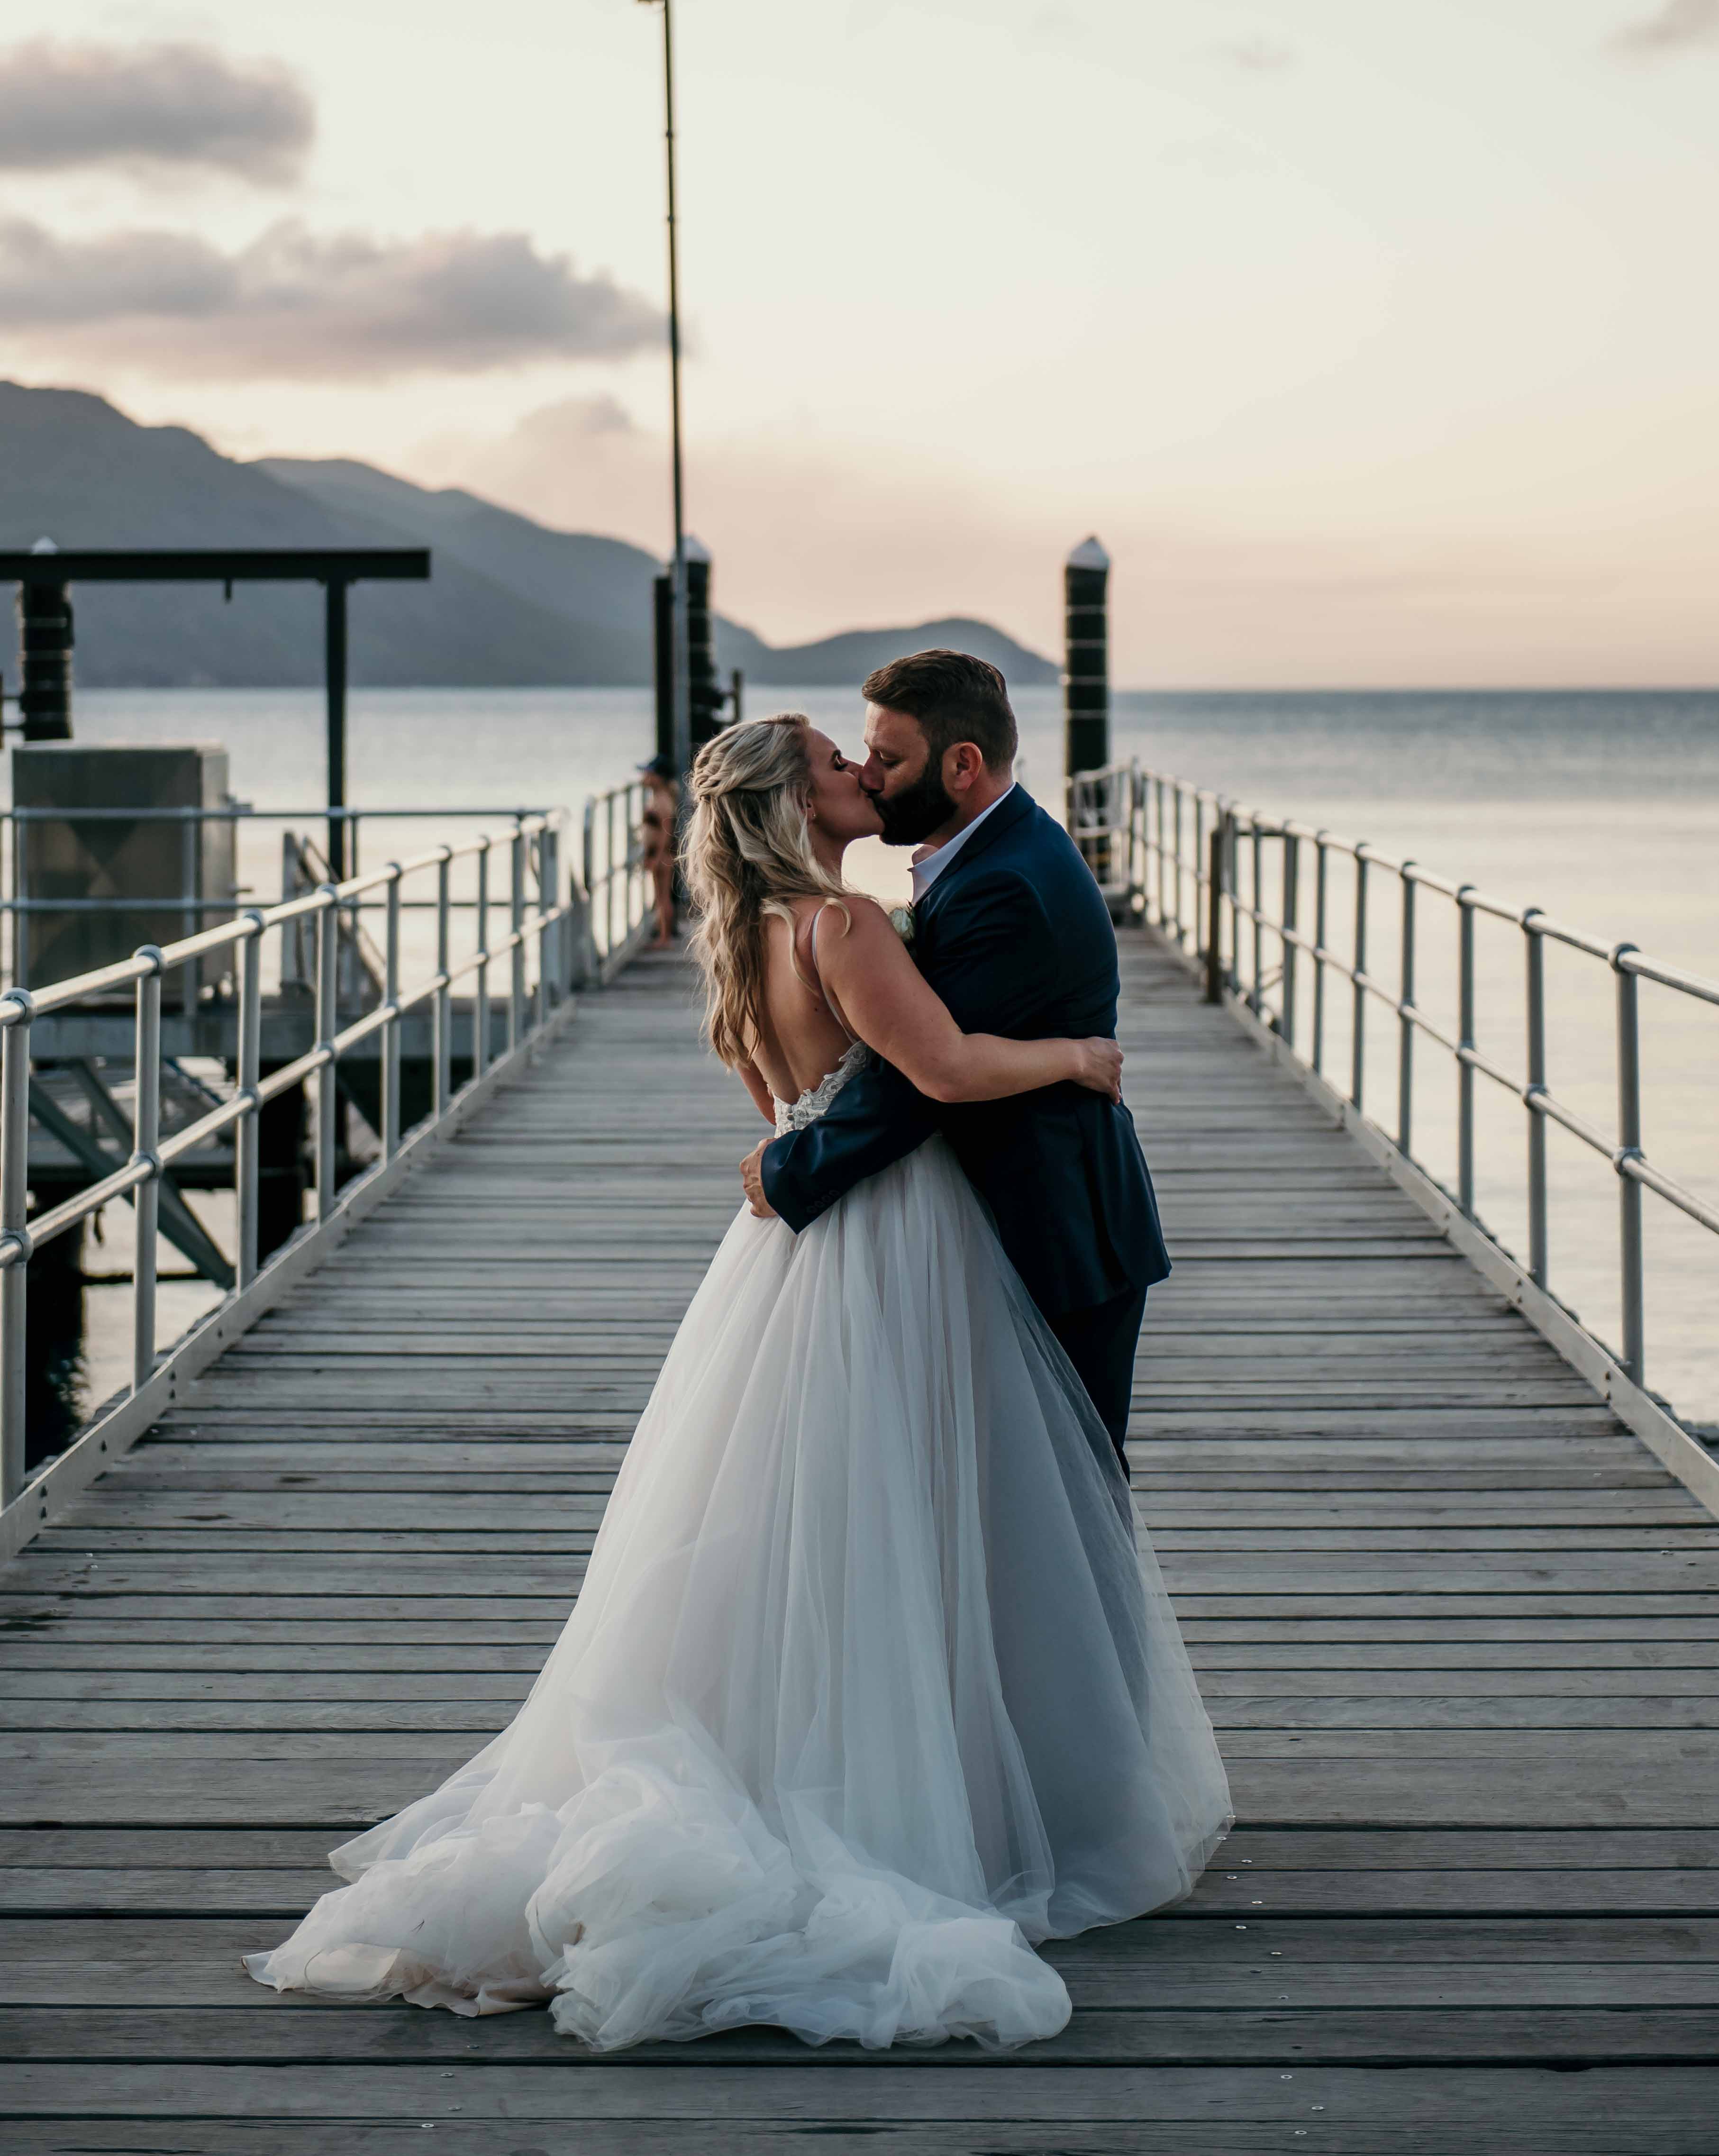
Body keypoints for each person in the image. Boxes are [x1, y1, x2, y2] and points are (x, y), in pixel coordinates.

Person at [244, 710, 1228, 2053]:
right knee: (900, 1513)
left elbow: (796, 1107)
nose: (859, 773)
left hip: (782, 1261)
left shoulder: (745, 938)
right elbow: (936, 1070)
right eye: (837, 762)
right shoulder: (842, 924)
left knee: (804, 1524)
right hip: (894, 1245)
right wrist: (1074, 1055)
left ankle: (826, 1761)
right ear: (795, 802)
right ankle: (917, 1802)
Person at [744, 651, 1166, 1470]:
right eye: (860, 756)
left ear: (962, 764)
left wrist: (795, 1164)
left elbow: (924, 1083)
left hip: (1057, 1232)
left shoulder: (1005, 884)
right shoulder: (978, 862)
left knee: (1063, 1504)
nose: (868, 776)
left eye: (888, 759)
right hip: (978, 1225)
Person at [638, 753, 680, 947]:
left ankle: (665, 936)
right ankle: (663, 932)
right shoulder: (657, 797)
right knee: (659, 895)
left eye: (649, 774)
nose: (645, 778)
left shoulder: (663, 799)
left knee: (662, 896)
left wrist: (659, 855)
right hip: (656, 852)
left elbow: (666, 830)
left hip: (661, 853)